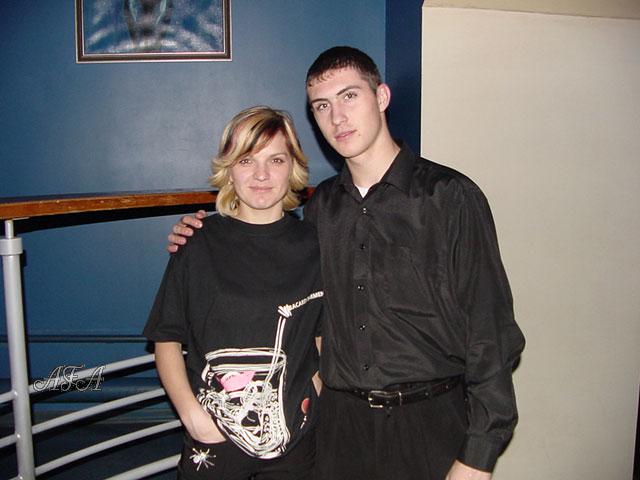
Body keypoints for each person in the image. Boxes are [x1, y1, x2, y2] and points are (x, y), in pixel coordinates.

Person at [166, 47, 525, 480]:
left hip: (431, 423)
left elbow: (491, 333)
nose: (337, 117)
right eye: (322, 106)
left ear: (382, 97)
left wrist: (479, 456)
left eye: (349, 96)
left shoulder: (449, 197)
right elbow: (275, 271)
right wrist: (196, 231)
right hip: (338, 427)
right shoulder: (321, 209)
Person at [145, 106, 324, 480]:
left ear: (293, 167)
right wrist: (193, 416)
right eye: (246, 160)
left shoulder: (316, 244)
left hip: (296, 439)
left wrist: (316, 392)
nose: (261, 174)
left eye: (276, 159)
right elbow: (166, 339)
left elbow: (320, 332)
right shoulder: (197, 243)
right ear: (228, 169)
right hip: (214, 439)